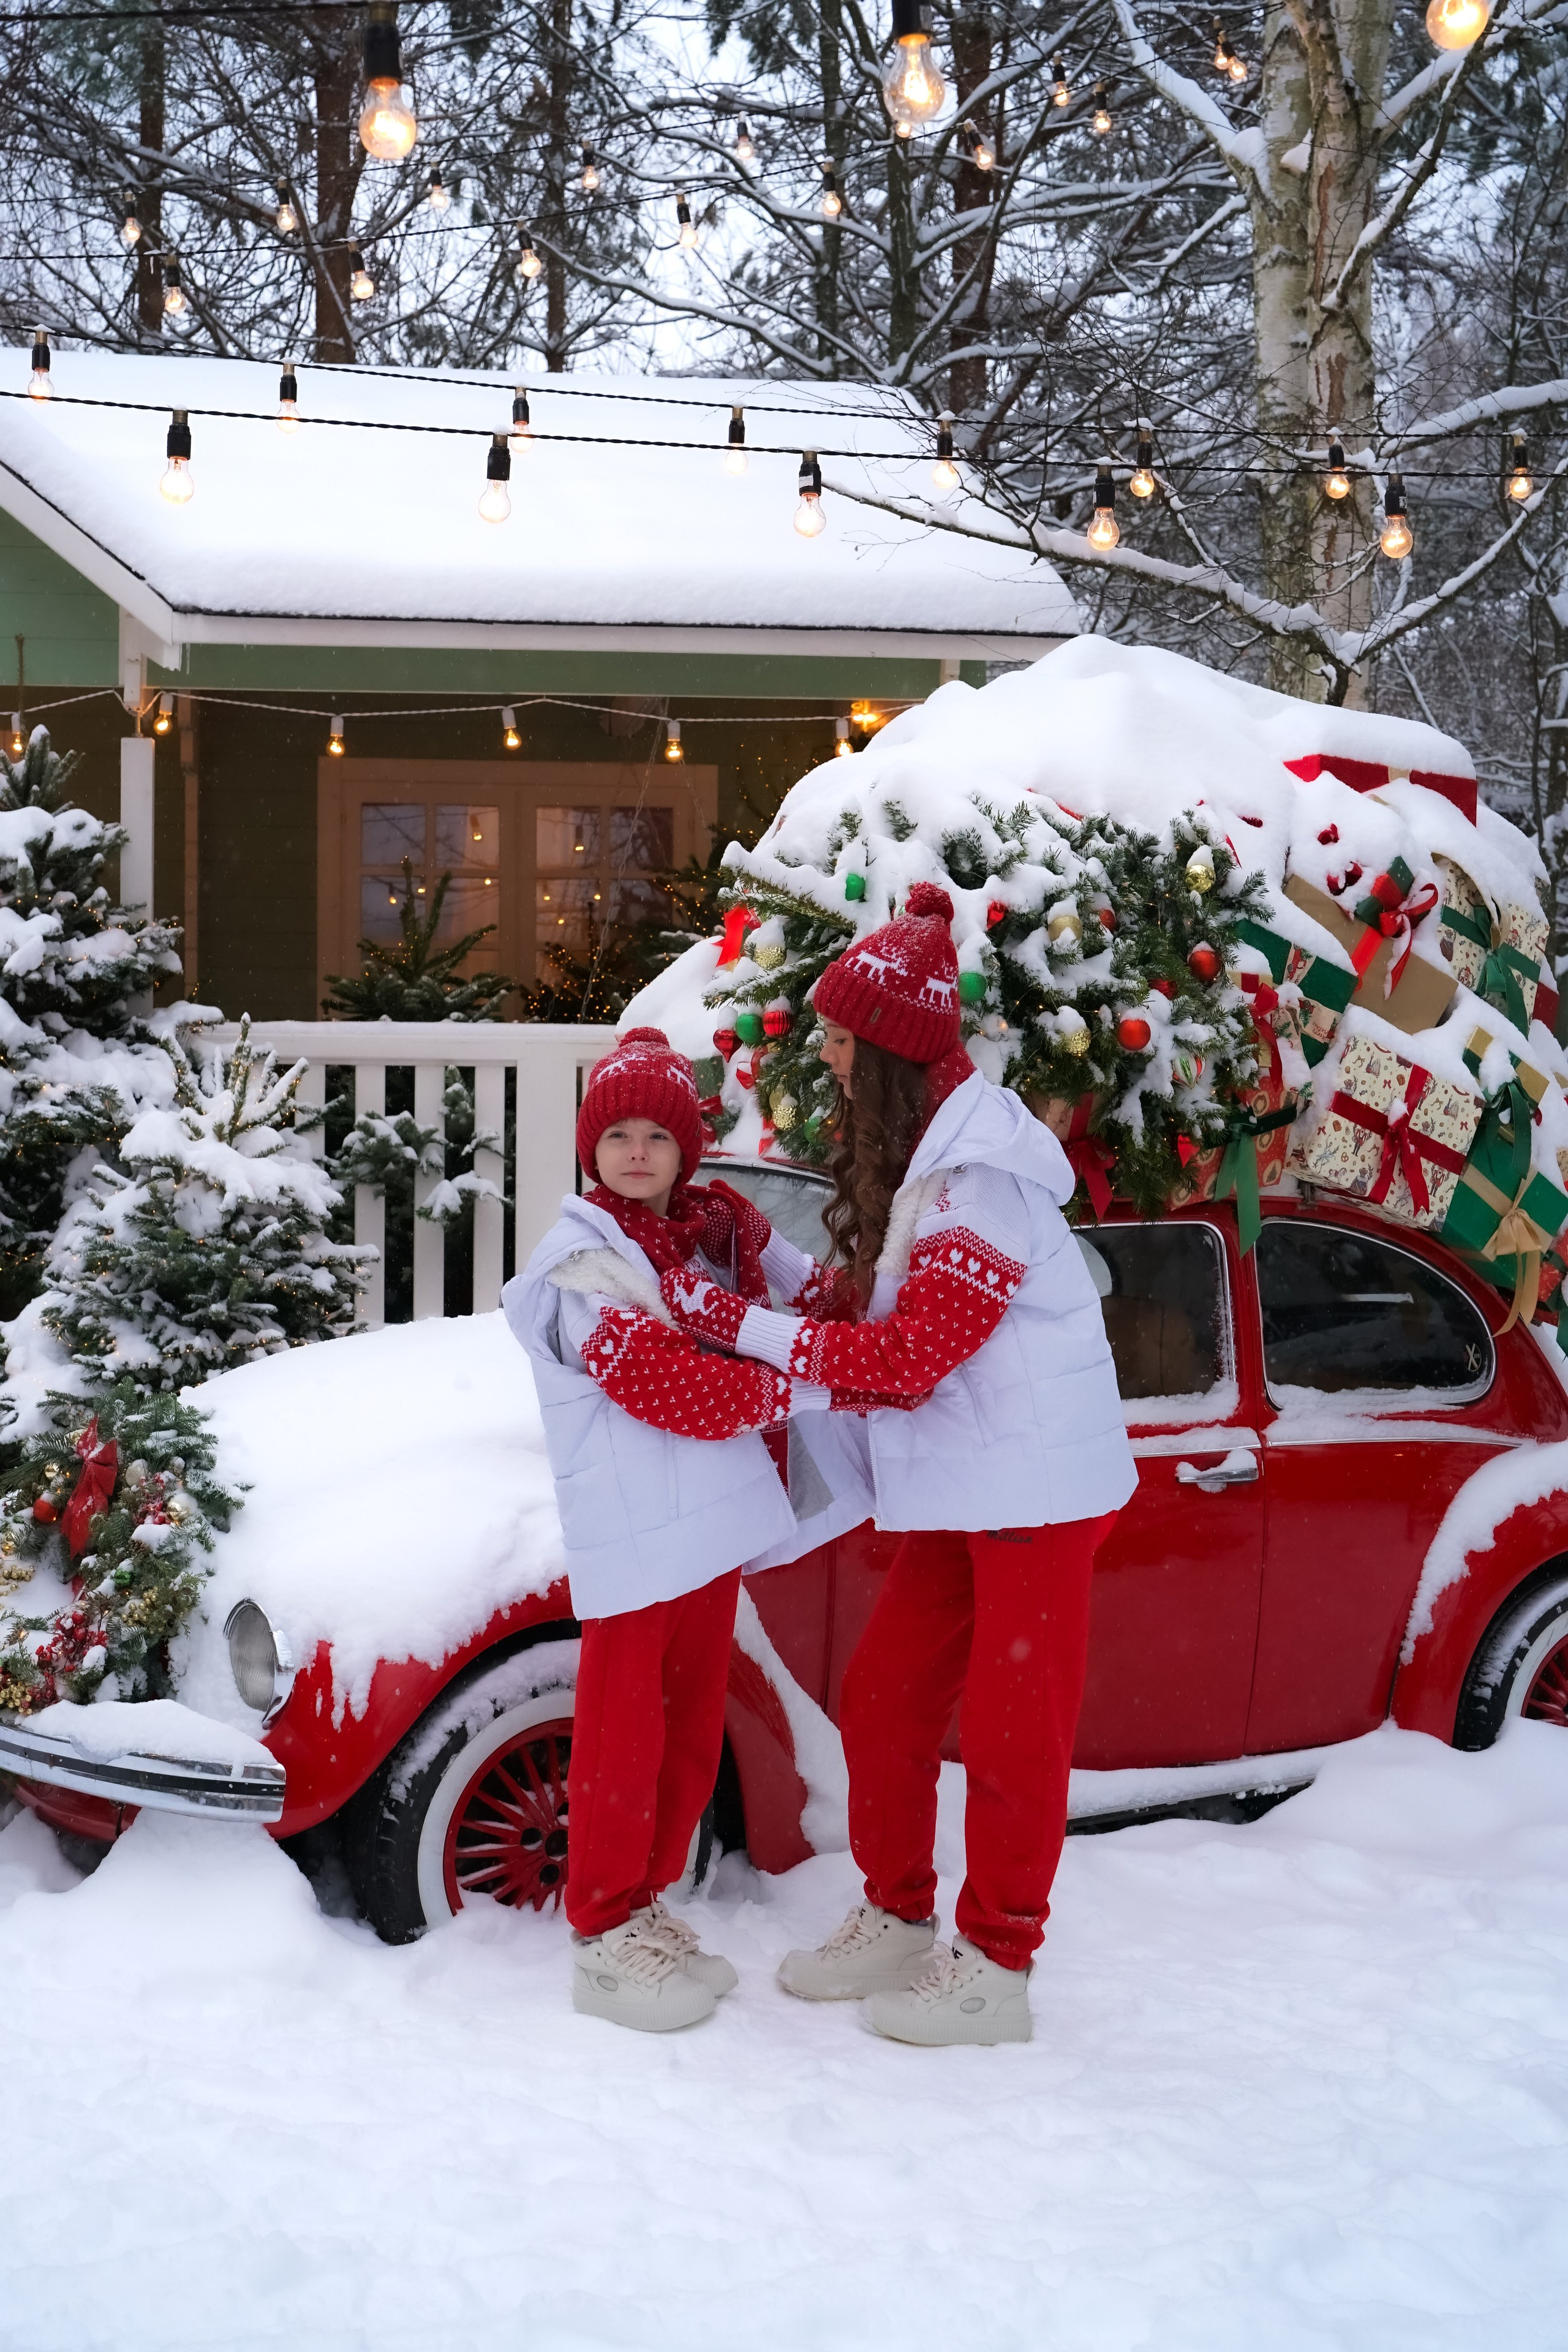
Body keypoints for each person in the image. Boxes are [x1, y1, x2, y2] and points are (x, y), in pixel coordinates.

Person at [661, 883, 1137, 2046]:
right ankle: (898, 1912)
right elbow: (873, 1302)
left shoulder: (984, 1182)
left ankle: (999, 1962)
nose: (822, 1055)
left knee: (1016, 1732)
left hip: (1036, 1490)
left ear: (889, 1054)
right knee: (884, 1698)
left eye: (837, 1038)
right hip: (973, 1483)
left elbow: (913, 1358)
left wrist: (741, 1330)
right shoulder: (930, 1156)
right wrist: (762, 1254)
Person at [504, 1027, 836, 2032]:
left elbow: (810, 1286)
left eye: (658, 1135)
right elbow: (662, 1385)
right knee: (623, 1731)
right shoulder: (583, 1262)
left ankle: (643, 1901)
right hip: (637, 1537)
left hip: (704, 1531)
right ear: (591, 1150)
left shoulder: (705, 1235)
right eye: (618, 1136)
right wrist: (811, 1385)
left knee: (689, 1729)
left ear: (686, 1150)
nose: (638, 1153)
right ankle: (602, 1925)